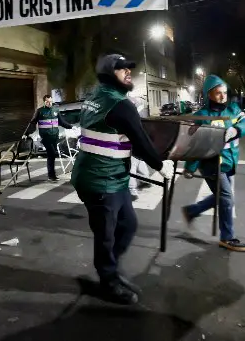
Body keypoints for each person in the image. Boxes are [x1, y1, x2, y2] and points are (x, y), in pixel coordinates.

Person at [72, 54, 175, 305]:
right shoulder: (120, 104)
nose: (128, 71)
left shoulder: (95, 97)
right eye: (121, 68)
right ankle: (108, 281)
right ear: (108, 74)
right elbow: (140, 140)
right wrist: (161, 165)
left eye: (129, 68)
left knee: (127, 225)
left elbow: (117, 134)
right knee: (106, 235)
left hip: (104, 176)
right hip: (102, 180)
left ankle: (110, 269)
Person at [181, 74, 245, 253]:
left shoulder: (233, 110)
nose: (223, 96)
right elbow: (195, 144)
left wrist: (236, 130)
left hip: (229, 161)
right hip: (211, 163)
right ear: (209, 94)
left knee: (222, 196)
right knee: (227, 198)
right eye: (218, 93)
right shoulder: (201, 116)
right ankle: (227, 238)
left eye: (224, 92)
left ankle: (192, 211)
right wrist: (190, 167)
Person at [24, 94, 73, 181]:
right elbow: (33, 123)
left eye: (50, 101)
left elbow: (61, 122)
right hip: (45, 137)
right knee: (52, 154)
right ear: (44, 102)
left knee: (52, 155)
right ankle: (51, 176)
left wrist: (71, 127)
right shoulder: (40, 111)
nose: (49, 103)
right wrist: (26, 133)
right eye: (47, 102)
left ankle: (51, 175)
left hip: (54, 136)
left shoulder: (55, 110)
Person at [127, 94, 151, 200]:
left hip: (131, 141)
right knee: (138, 160)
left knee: (130, 165)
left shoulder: (125, 106)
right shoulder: (135, 104)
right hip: (138, 140)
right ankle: (145, 180)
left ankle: (132, 191)